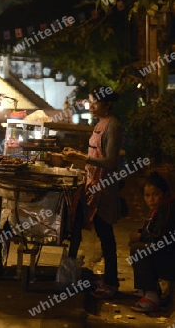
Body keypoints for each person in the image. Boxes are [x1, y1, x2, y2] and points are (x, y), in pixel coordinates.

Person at [62, 85, 123, 298]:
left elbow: (111, 161)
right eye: (91, 101)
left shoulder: (113, 126)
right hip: (91, 186)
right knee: (79, 227)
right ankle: (72, 274)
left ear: (107, 104)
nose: (92, 106)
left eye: (95, 102)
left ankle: (111, 282)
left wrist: (82, 157)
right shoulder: (100, 123)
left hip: (105, 189)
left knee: (106, 235)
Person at [128, 172, 175, 312]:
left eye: (155, 194)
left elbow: (160, 237)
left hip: (171, 260)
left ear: (165, 193)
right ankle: (147, 289)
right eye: (147, 195)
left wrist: (140, 237)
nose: (151, 199)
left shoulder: (169, 209)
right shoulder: (160, 209)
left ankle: (151, 296)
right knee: (137, 247)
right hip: (167, 255)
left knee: (139, 249)